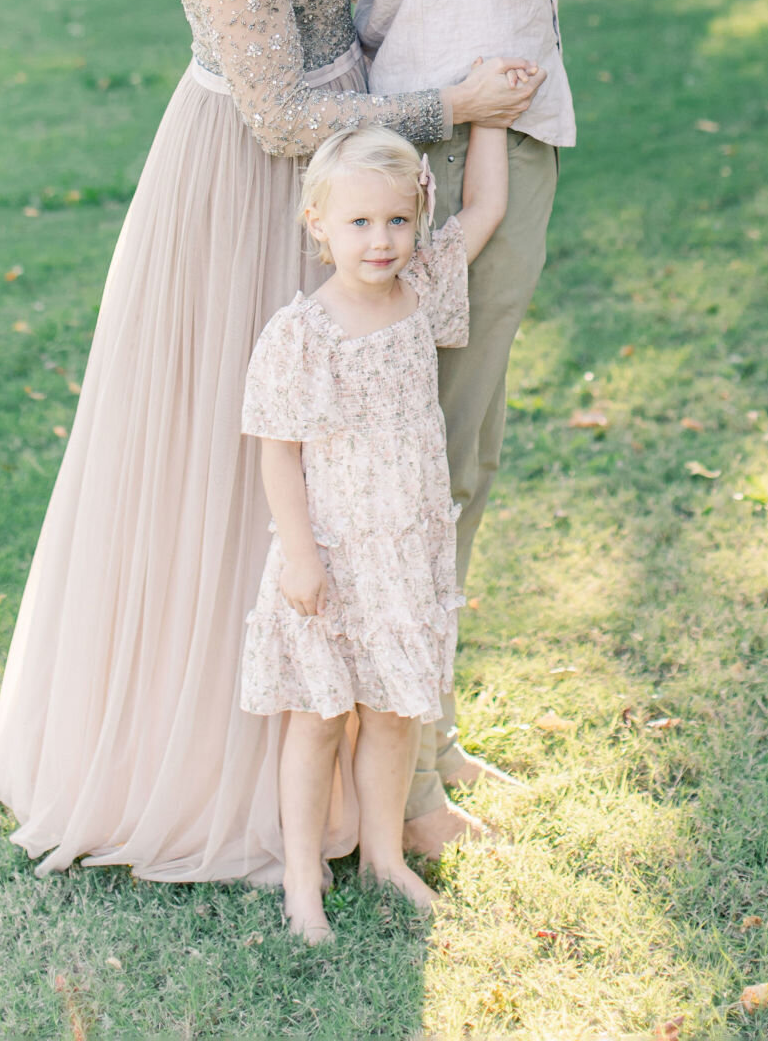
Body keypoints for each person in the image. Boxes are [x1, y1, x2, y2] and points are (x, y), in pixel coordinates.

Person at [0, 0, 542, 886]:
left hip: (329, 176)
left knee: (345, 466)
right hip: (248, 177)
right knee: (249, 478)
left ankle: (363, 749)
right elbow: (281, 108)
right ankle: (223, 771)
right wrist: (445, 106)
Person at [201, 0, 635, 853]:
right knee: (425, 473)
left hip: (479, 117)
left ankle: (421, 745)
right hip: (456, 133)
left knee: (458, 461)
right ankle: (406, 789)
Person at [241, 122, 508, 942]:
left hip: (404, 550)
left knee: (394, 713)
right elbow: (278, 456)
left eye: (396, 220)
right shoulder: (303, 332)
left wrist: (490, 122)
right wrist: (301, 556)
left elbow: (487, 207)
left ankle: (385, 858)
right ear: (317, 223)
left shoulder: (420, 288)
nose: (382, 241)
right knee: (319, 715)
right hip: (330, 551)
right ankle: (300, 877)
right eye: (358, 223)